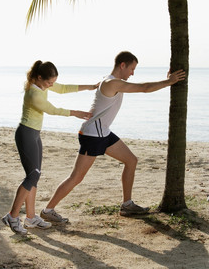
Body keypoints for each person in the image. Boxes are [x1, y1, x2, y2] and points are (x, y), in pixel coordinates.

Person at [40, 51, 186, 223]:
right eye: (132, 69)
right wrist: (169, 82)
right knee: (77, 177)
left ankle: (127, 204)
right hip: (93, 135)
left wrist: (166, 81)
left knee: (131, 160)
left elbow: (144, 86)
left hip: (103, 132)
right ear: (122, 65)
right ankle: (47, 210)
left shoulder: (113, 81)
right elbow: (144, 88)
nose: (132, 73)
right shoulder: (111, 82)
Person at [2, 60, 98, 235]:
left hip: (34, 134)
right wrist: (76, 113)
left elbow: (63, 88)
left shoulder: (42, 86)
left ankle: (30, 217)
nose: (51, 86)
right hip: (26, 134)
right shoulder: (34, 94)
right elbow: (53, 110)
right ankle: (12, 216)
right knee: (33, 175)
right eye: (48, 83)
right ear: (39, 78)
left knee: (35, 176)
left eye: (52, 83)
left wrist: (90, 86)